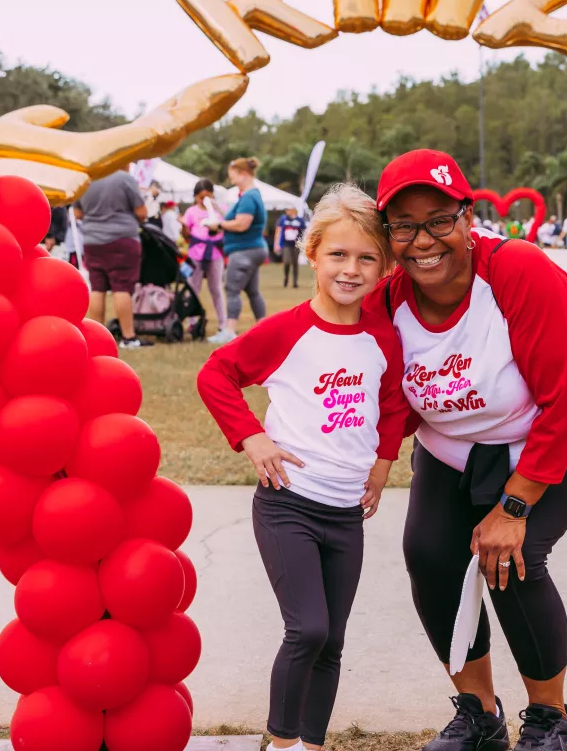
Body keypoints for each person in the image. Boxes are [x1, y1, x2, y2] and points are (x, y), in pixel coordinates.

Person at [367, 149, 567, 751]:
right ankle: (480, 718)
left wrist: (515, 506)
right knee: (429, 554)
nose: (423, 239)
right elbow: (376, 393)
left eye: (438, 220)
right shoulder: (388, 296)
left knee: (512, 558)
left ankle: (551, 723)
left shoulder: (518, 270)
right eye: (404, 225)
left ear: (466, 217)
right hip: (462, 442)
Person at [198, 183, 407, 751]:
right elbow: (215, 375)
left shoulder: (384, 337)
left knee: (332, 640)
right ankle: (281, 741)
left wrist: (385, 463)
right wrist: (252, 437)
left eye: (367, 258)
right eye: (338, 254)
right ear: (311, 253)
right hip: (288, 503)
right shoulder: (287, 331)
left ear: (384, 267)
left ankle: (312, 744)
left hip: (346, 514)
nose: (351, 269)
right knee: (307, 629)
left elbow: (392, 405)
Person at [73, 170, 151, 349]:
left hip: (92, 241)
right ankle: (129, 337)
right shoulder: (124, 179)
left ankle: (97, 336)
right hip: (121, 239)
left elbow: (77, 213)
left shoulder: (86, 179)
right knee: (122, 287)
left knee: (97, 287)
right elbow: (142, 212)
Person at [213, 157, 269, 344]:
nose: (231, 181)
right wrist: (218, 212)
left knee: (232, 288)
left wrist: (219, 224)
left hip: (244, 250)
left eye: (233, 177)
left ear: (243, 174)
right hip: (254, 249)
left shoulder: (248, 197)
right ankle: (264, 328)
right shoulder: (251, 196)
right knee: (253, 291)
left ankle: (229, 330)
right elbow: (236, 219)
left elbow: (241, 224)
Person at [180, 179, 227, 328]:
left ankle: (223, 323)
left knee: (216, 289)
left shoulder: (220, 210)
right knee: (193, 288)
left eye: (207, 196)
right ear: (195, 197)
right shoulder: (191, 211)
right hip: (196, 254)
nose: (204, 200)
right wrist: (184, 227)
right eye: (200, 197)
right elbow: (186, 235)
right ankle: (192, 322)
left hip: (215, 253)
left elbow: (227, 225)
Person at [275, 207, 308, 288]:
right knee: (286, 261)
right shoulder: (283, 219)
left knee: (295, 263)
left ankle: (295, 282)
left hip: (296, 244)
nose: (287, 211)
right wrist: (277, 243)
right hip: (286, 244)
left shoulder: (299, 220)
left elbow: (304, 231)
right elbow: (278, 230)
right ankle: (286, 278)